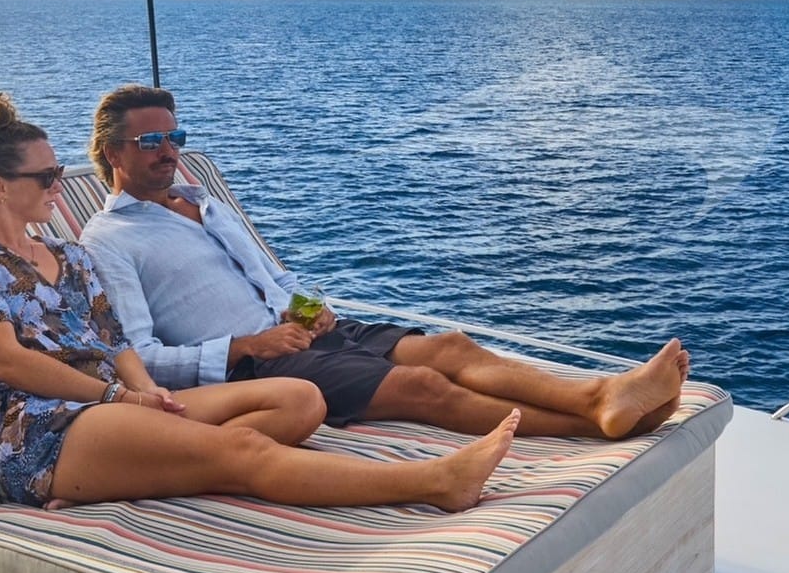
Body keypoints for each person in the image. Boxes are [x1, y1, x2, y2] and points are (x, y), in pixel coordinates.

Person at [0, 92, 518, 512]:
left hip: (121, 405)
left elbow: (116, 344)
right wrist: (125, 398)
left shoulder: (66, 257)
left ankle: (145, 471)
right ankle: (435, 482)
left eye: (58, 170)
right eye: (46, 177)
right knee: (245, 449)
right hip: (50, 424)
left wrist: (150, 393)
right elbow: (11, 366)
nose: (59, 185)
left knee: (301, 399)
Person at [81, 84, 690, 438]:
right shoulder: (107, 240)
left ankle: (599, 393)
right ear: (112, 153)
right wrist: (245, 348)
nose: (169, 153)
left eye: (175, 139)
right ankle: (600, 418)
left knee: (451, 347)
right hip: (251, 370)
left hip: (307, 334)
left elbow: (276, 278)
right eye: (151, 142)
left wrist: (314, 312)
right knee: (424, 386)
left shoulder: (202, 201)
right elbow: (138, 356)